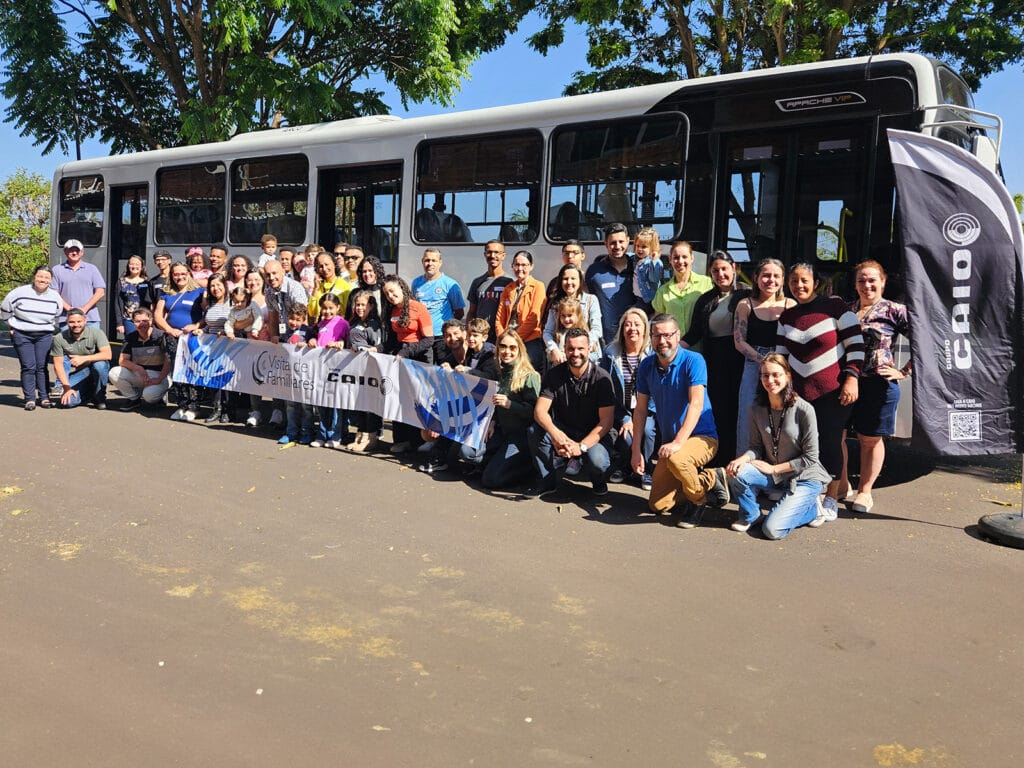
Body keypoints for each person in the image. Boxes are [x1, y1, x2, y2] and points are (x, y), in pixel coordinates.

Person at [775, 262, 864, 521]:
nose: (798, 285)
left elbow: (856, 346)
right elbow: (781, 357)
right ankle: (808, 494)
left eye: (804, 280)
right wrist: (783, 391)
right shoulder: (787, 317)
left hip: (834, 392)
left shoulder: (836, 308)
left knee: (829, 443)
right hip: (798, 394)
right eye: (793, 281)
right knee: (802, 444)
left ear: (816, 283)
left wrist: (852, 379)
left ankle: (831, 497)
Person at [630, 314, 729, 527]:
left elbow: (696, 404)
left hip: (702, 438)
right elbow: (640, 410)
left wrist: (678, 443)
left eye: (667, 335)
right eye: (657, 335)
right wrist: (636, 450)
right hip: (672, 445)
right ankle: (709, 479)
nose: (662, 341)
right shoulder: (646, 366)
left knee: (678, 459)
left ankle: (698, 501)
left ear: (678, 335)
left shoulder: (694, 360)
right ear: (650, 337)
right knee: (658, 506)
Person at [725, 354, 832, 538]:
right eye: (765, 375)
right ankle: (752, 516)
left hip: (804, 477)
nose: (770, 380)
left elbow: (810, 457)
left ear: (788, 376)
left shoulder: (804, 410)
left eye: (776, 375)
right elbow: (756, 447)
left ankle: (814, 510)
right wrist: (742, 459)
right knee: (737, 472)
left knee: (772, 530)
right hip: (777, 476)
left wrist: (774, 469)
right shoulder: (756, 408)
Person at [841, 260, 912, 515]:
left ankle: (865, 491)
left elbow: (925, 342)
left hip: (878, 384)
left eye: (872, 280)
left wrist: (902, 372)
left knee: (869, 439)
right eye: (861, 280)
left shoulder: (895, 310)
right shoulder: (846, 310)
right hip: (845, 381)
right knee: (837, 435)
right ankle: (842, 483)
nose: (866, 285)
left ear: (883, 281)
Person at [681, 250, 750, 465]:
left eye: (724, 269)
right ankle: (718, 459)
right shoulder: (706, 300)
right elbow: (694, 333)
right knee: (718, 409)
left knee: (739, 410)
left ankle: (739, 459)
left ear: (734, 268)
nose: (720, 274)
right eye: (715, 270)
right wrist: (672, 348)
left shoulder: (746, 295)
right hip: (715, 362)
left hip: (741, 361)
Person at [528, 328, 615, 497]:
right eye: (571, 348)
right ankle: (547, 481)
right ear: (565, 350)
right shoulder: (554, 374)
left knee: (597, 460)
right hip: (565, 429)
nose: (575, 353)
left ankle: (598, 480)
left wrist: (580, 447)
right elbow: (540, 411)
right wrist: (556, 434)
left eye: (580, 348)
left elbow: (606, 422)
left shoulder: (602, 378)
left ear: (590, 349)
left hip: (594, 433)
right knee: (534, 431)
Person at [733, 258, 795, 459]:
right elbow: (739, 341)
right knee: (748, 415)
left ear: (783, 280)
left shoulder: (790, 305)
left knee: (782, 417)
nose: (771, 280)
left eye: (776, 276)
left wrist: (777, 364)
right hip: (754, 364)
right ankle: (744, 472)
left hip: (784, 366)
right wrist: (763, 360)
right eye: (766, 275)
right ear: (756, 278)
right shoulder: (746, 305)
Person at [468, 330, 541, 489]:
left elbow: (536, 413)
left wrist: (510, 404)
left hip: (521, 435)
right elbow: (494, 401)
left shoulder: (529, 376)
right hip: (503, 430)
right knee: (469, 453)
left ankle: (529, 467)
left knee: (490, 480)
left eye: (512, 347)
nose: (507, 351)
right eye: (503, 346)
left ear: (519, 349)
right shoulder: (501, 370)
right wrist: (493, 421)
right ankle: (496, 461)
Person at [600, 307, 656, 490]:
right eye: (628, 324)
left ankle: (646, 470)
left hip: (647, 409)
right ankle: (626, 467)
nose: (633, 328)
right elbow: (607, 389)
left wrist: (639, 416)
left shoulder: (653, 354)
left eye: (637, 324)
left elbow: (657, 390)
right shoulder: (610, 353)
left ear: (645, 329)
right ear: (622, 329)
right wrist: (625, 418)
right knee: (627, 434)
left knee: (646, 431)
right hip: (621, 409)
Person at [382, 276, 434, 453]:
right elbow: (391, 341)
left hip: (418, 358)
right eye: (386, 293)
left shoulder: (418, 307)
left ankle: (419, 441)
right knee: (399, 399)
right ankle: (401, 440)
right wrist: (376, 349)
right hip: (400, 358)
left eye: (392, 291)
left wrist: (406, 352)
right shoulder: (392, 311)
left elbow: (428, 340)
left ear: (402, 287)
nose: (390, 295)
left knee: (418, 401)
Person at [1, 265, 62, 409]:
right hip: (22, 334)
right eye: (40, 276)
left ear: (50, 280)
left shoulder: (55, 296)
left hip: (44, 335)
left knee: (42, 366)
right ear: (34, 276)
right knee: (29, 366)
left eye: (46, 278)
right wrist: (12, 325)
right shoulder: (19, 292)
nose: (43, 280)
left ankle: (44, 397)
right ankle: (30, 399)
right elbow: (5, 309)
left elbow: (57, 313)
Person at [154, 261, 205, 421]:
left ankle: (194, 406)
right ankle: (181, 405)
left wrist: (196, 325)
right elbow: (157, 316)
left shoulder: (199, 292)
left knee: (193, 370)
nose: (179, 277)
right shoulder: (167, 293)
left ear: (189, 274)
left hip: (192, 338)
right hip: (173, 337)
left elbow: (208, 314)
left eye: (183, 273)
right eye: (176, 274)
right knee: (177, 371)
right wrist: (170, 330)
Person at [307, 293, 350, 448]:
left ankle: (335, 435)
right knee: (321, 403)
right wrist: (311, 340)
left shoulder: (343, 323)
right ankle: (322, 434)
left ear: (338, 307)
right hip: (321, 368)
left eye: (331, 308)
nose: (327, 311)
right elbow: (313, 338)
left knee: (335, 404)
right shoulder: (319, 324)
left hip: (337, 369)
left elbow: (347, 342)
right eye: (324, 308)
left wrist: (340, 343)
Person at [346, 289, 385, 454]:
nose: (359, 307)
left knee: (371, 404)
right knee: (360, 403)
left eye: (363, 304)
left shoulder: (374, 325)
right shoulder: (354, 322)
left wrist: (361, 347)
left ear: (371, 306)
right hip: (358, 369)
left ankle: (372, 436)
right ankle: (360, 433)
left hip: (372, 369)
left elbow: (377, 347)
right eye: (357, 304)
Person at [108, 307, 171, 410]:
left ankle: (160, 394)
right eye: (138, 321)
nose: (141, 324)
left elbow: (168, 361)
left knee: (149, 397)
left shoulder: (161, 336)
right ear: (133, 323)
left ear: (151, 321)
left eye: (145, 321)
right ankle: (134, 399)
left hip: (159, 375)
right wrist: (138, 368)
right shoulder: (130, 337)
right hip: (140, 374)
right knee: (114, 372)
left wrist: (159, 379)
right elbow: (122, 360)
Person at [494, 250, 546, 371]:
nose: (520, 268)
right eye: (517, 265)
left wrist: (514, 339)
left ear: (531, 266)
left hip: (529, 339)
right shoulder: (508, 288)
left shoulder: (538, 286)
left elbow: (534, 319)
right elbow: (499, 319)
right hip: (508, 340)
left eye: (524, 265)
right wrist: (503, 339)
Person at [50, 307, 112, 408]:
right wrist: (66, 388)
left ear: (85, 320)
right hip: (82, 372)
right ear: (67, 322)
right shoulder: (59, 338)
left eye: (79, 321)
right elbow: (58, 365)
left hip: (96, 367)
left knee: (100, 365)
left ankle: (99, 397)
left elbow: (107, 355)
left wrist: (83, 358)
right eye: (72, 322)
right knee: (68, 402)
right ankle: (88, 394)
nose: (76, 325)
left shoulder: (96, 333)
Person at [542, 264, 602, 367]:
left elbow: (597, 330)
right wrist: (554, 349)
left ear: (580, 280)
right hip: (562, 356)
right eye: (565, 279)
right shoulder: (556, 303)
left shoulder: (591, 300)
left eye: (573, 278)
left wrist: (583, 346)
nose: (569, 282)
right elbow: (547, 332)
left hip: (588, 355)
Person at [412, 248, 466, 360]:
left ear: (440, 263)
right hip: (423, 336)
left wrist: (447, 329)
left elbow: (459, 312)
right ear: (422, 261)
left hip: (442, 337)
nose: (430, 263)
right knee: (425, 370)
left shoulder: (450, 284)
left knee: (443, 370)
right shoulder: (416, 283)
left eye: (433, 260)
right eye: (427, 260)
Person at [585, 223, 635, 343]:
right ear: (605, 244)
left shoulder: (639, 267)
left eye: (621, 241)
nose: (617, 246)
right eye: (612, 243)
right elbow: (586, 303)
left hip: (635, 338)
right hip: (606, 341)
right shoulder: (594, 271)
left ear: (628, 241)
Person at [652, 241, 713, 336]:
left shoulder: (706, 283)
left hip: (701, 346)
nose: (680, 261)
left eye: (684, 257)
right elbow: (658, 323)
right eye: (676, 258)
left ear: (692, 258)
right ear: (670, 260)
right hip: (674, 348)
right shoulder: (662, 291)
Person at [193, 273, 232, 423]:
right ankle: (217, 409)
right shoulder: (210, 304)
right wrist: (202, 331)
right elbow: (210, 325)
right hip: (212, 346)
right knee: (213, 378)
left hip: (230, 346)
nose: (215, 288)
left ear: (225, 286)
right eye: (212, 286)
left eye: (218, 285)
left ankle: (228, 411)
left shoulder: (232, 303)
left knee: (227, 379)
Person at [278, 305, 315, 446]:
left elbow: (314, 345)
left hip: (305, 375)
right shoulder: (285, 331)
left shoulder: (308, 331)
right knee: (290, 405)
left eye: (298, 319)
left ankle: (307, 433)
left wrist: (308, 342)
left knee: (306, 406)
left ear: (304, 319)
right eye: (291, 319)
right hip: (289, 375)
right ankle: (291, 432)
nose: (293, 322)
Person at [51, 238, 106, 328]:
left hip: (90, 319)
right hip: (67, 319)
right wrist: (69, 309)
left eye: (77, 250)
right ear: (65, 251)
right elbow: (54, 294)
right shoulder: (56, 270)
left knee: (91, 342)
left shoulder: (92, 269)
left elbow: (100, 292)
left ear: (82, 252)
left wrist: (84, 309)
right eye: (71, 250)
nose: (74, 253)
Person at [466, 240, 513, 340]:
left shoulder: (510, 282)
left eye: (497, 252)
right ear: (485, 255)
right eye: (489, 252)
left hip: (502, 336)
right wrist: (469, 332)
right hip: (481, 337)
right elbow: (471, 312)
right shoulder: (477, 282)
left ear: (503, 256)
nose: (492, 255)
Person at [114, 255, 155, 337]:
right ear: (128, 265)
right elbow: (118, 303)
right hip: (129, 319)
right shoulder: (121, 281)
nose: (134, 266)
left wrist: (152, 320)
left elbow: (152, 302)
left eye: (137, 264)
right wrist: (119, 323)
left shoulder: (148, 282)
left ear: (142, 266)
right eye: (131, 264)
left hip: (145, 319)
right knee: (131, 342)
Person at [307, 250, 351, 323]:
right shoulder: (318, 285)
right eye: (321, 266)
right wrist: (315, 289)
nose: (324, 269)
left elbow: (348, 313)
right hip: (320, 327)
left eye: (327, 264)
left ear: (334, 264)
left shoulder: (345, 286)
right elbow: (312, 312)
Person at [631, 227, 668, 307]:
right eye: (637, 246)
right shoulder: (636, 259)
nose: (639, 249)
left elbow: (654, 278)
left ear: (652, 248)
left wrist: (654, 261)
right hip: (638, 297)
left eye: (644, 247)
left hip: (649, 299)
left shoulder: (654, 262)